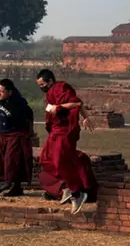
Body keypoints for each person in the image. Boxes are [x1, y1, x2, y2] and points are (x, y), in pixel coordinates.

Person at [36, 69, 97, 215]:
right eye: (39, 85)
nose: (41, 87)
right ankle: (67, 185)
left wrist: (84, 116)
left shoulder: (61, 87)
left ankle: (77, 193)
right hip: (55, 131)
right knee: (46, 159)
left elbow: (75, 103)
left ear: (50, 81)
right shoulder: (50, 94)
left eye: (43, 84)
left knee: (60, 160)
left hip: (65, 130)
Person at [0, 79, 34, 196]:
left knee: (12, 159)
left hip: (15, 132)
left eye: (2, 91)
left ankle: (12, 184)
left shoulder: (19, 104)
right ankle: (1, 180)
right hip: (2, 132)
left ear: (10, 92)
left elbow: (30, 115)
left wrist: (30, 131)